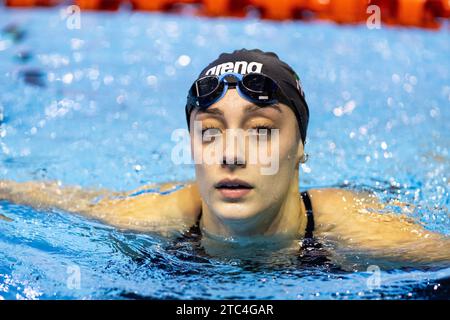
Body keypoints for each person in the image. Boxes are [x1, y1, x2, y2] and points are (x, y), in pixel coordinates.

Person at [0, 49, 449, 262]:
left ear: (301, 149)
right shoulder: (159, 215)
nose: (231, 154)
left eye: (261, 131)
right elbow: (60, 200)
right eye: (210, 133)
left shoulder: (358, 231)